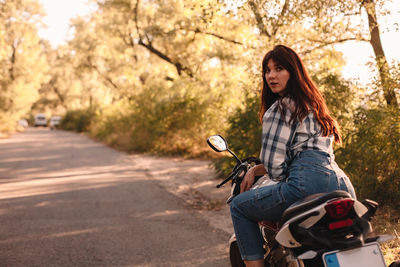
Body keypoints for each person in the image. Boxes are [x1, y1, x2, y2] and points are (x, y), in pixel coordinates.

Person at [229, 45, 356, 267]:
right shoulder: (314, 106)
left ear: (293, 71)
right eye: (267, 70)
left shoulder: (279, 109)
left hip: (305, 187)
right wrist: (256, 169)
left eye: (279, 68)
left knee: (239, 206)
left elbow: (276, 169)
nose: (271, 75)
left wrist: (262, 170)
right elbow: (302, 154)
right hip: (342, 185)